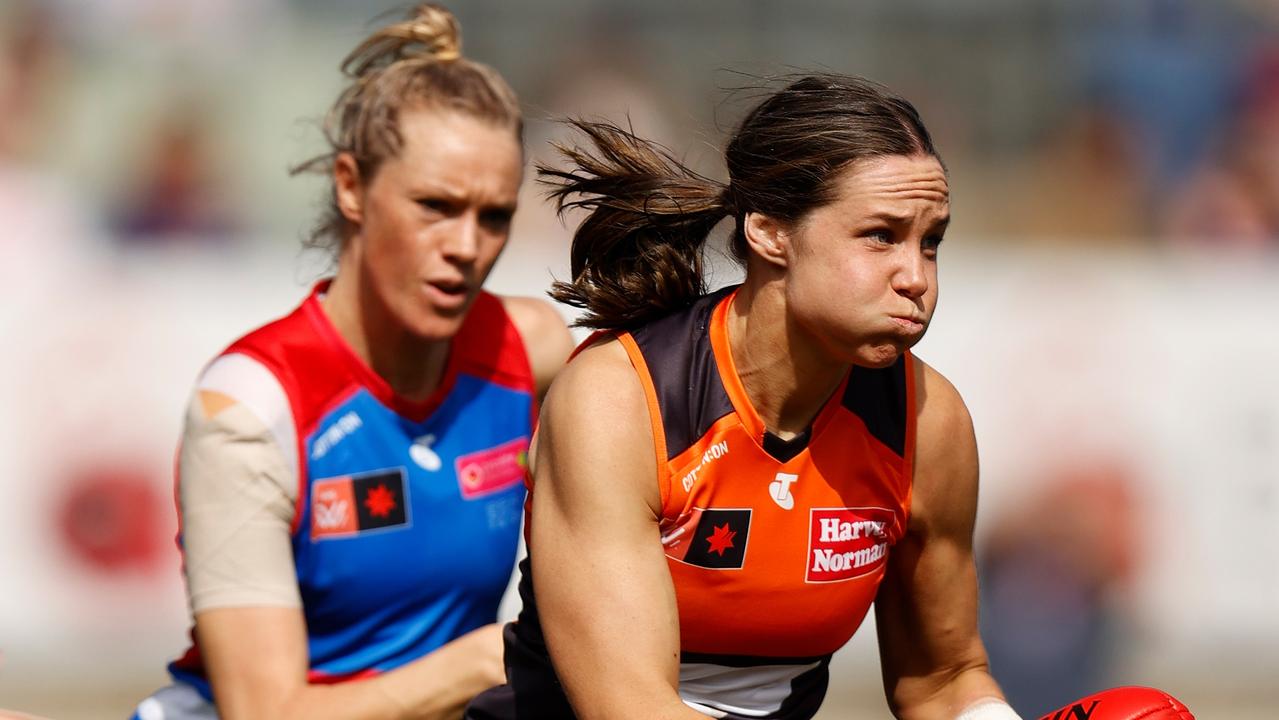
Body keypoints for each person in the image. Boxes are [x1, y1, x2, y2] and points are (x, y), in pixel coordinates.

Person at [467, 75, 1022, 720]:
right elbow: (633, 709)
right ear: (769, 233)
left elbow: (943, 679)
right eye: (880, 236)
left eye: (931, 242)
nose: (917, 278)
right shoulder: (619, 400)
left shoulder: (929, 420)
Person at [132, 4, 573, 719]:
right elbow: (264, 714)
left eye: (494, 216)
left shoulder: (530, 350)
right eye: (435, 205)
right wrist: (491, 659)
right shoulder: (250, 405)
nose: (467, 246)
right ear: (349, 186)